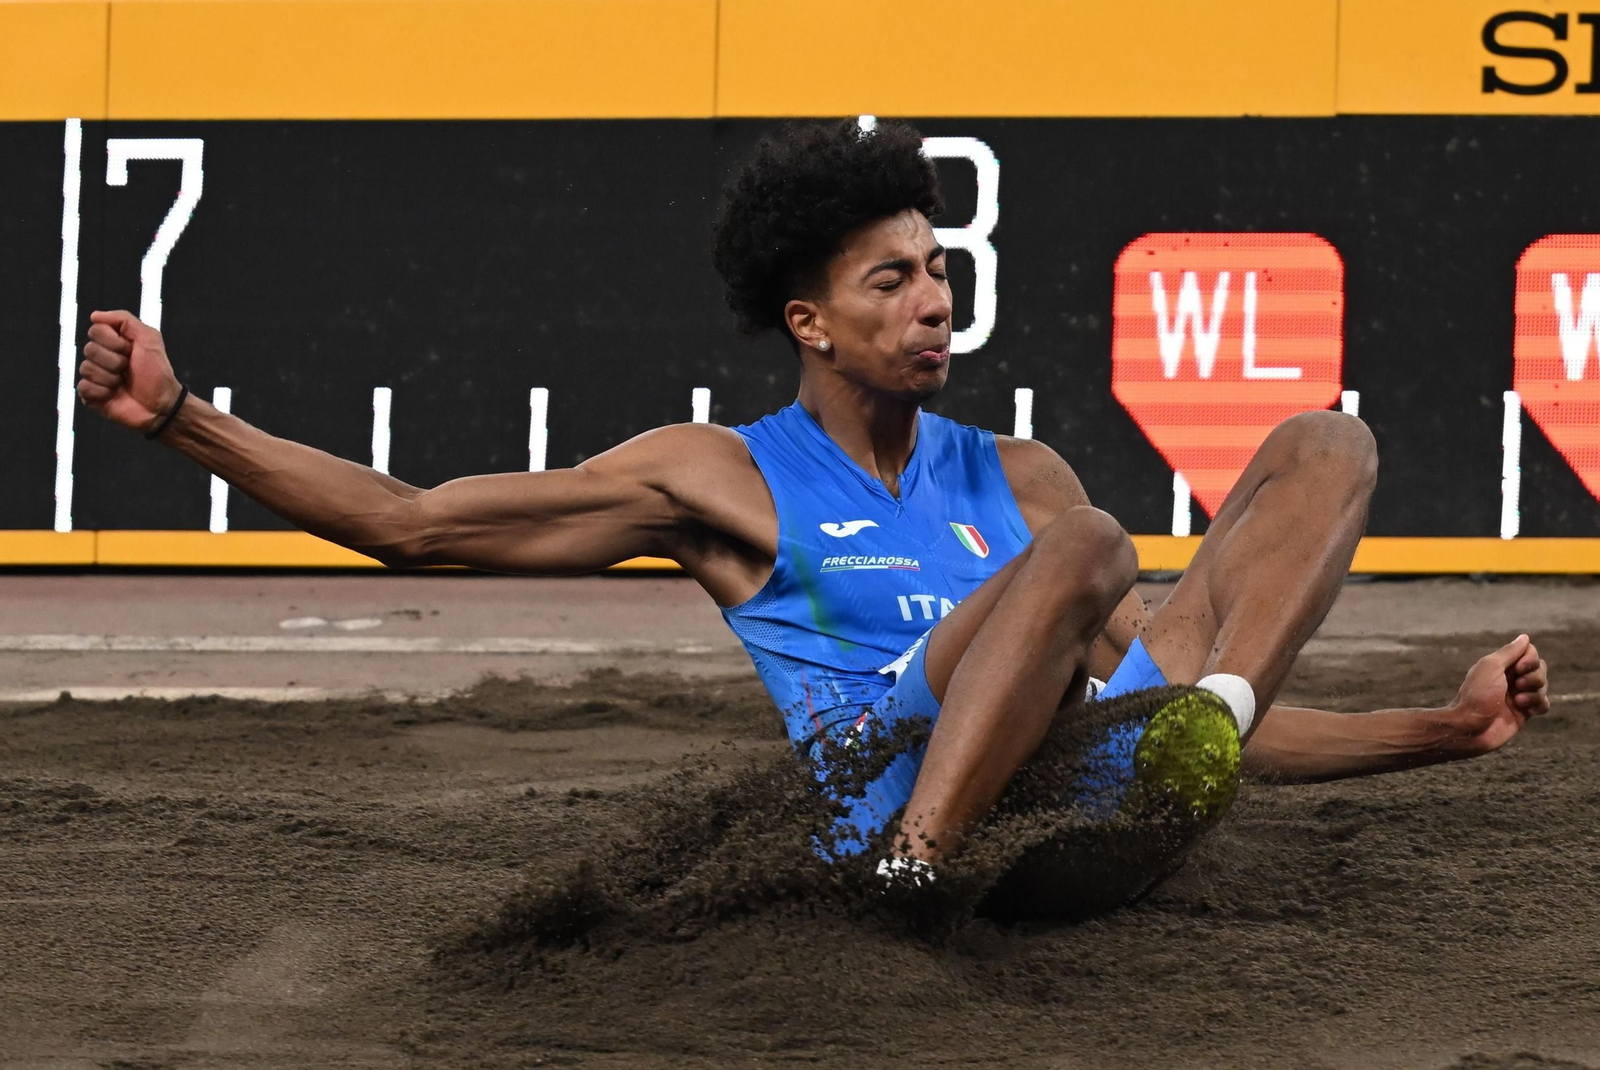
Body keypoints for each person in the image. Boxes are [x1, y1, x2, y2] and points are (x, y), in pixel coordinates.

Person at [76, 119, 1550, 881]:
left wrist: (1448, 727)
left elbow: (1149, 694)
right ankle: (912, 863)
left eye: (941, 270)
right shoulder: (720, 475)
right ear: (812, 323)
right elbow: (417, 520)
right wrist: (183, 421)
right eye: (891, 279)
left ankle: (1108, 803)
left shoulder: (1017, 475)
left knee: (1328, 444)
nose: (934, 300)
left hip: (1085, 825)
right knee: (1093, 551)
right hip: (891, 821)